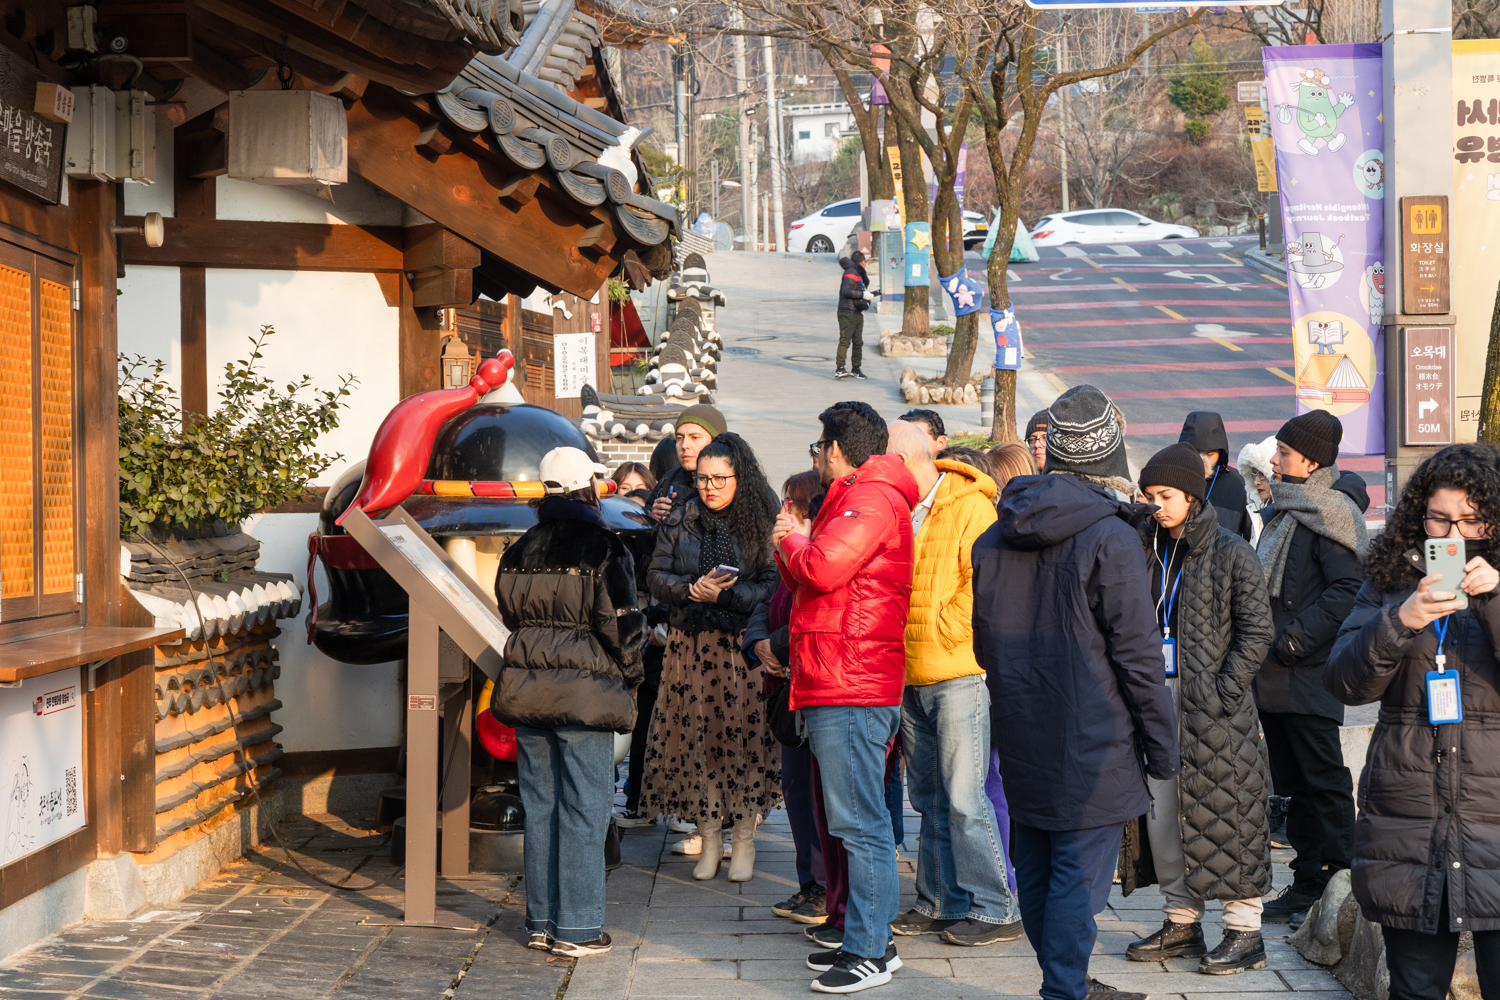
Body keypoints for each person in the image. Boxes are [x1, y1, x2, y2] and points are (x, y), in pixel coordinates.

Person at [972, 384, 1179, 1000]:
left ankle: (1067, 981)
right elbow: (1139, 658)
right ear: (1108, 461)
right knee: (1076, 880)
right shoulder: (1111, 539)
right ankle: (1065, 990)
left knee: (1036, 864)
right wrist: (1162, 749)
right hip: (1095, 734)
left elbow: (985, 643)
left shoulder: (994, 536)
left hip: (1021, 722)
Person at [1326, 443, 1500, 1000]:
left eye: (1472, 520)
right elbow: (1346, 682)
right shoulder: (1391, 576)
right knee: (1416, 988)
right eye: (1440, 518)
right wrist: (1399, 620)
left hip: (1493, 818)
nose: (1454, 533)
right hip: (1410, 820)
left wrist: (1493, 599)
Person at [775, 400, 918, 993]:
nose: (817, 455)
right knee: (853, 820)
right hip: (839, 675)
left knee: (861, 823)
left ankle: (873, 949)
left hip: (853, 682)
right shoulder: (859, 494)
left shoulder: (870, 498)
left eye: (819, 446)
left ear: (836, 448)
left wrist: (791, 541)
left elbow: (824, 566)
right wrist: (797, 548)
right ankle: (863, 937)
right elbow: (814, 578)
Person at [1122, 443, 1275, 974]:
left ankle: (1244, 931)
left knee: (1230, 815)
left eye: (1166, 496)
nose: (1157, 506)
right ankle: (1181, 921)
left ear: (1192, 494)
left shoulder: (1231, 551)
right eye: (1150, 497)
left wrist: (1222, 692)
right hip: (1153, 699)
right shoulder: (1141, 546)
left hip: (1216, 710)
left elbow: (1258, 631)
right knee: (1163, 815)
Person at [491, 447, 646, 958]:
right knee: (585, 807)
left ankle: (540, 921)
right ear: (590, 488)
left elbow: (512, 617)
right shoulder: (604, 547)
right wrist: (631, 679)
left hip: (528, 693)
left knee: (541, 808)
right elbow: (623, 629)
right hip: (586, 696)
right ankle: (577, 930)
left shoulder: (519, 549)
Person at [885, 421, 1021, 947]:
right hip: (910, 670)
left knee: (966, 798)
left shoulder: (969, 503)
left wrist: (945, 632)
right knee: (930, 797)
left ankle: (997, 906)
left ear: (907, 461)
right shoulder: (902, 507)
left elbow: (981, 585)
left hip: (958, 671)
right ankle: (940, 899)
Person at [643, 431, 783, 882]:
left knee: (741, 745)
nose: (710, 488)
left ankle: (743, 839)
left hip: (740, 649)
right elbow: (655, 576)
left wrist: (725, 596)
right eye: (703, 479)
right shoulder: (679, 518)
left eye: (720, 479)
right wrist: (689, 589)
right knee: (695, 746)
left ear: (739, 477)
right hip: (689, 648)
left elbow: (770, 585)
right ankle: (709, 839)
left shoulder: (760, 523)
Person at [1255, 409, 1366, 922]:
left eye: (1283, 453)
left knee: (1324, 781)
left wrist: (1296, 640)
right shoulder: (1284, 512)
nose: (1275, 462)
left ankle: (1340, 882)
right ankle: (1305, 883)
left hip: (1310, 670)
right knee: (1293, 784)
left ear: (1311, 460)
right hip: (1273, 671)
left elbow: (1348, 589)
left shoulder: (1330, 513)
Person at [744, 470, 827, 925]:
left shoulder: (819, 556)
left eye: (791, 504)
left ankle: (824, 885)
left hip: (814, 687)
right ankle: (807, 883)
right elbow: (765, 605)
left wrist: (774, 646)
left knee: (819, 794)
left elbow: (809, 613)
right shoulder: (785, 556)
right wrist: (758, 645)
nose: (783, 513)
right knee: (795, 789)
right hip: (783, 690)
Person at [1178, 411, 1252, 541]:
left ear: (1221, 452)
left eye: (1209, 454)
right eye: (1195, 452)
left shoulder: (1238, 483)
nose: (1202, 460)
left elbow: (1249, 534)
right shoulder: (1170, 478)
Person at [649, 404, 727, 523]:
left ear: (716, 441)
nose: (684, 445)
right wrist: (653, 519)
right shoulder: (668, 480)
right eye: (680, 438)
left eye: (694, 437)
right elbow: (643, 540)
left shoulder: (739, 483)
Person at [836, 251, 873, 380]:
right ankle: (840, 368)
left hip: (856, 312)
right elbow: (846, 291)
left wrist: (868, 294)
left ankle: (856, 369)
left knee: (858, 342)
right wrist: (863, 295)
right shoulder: (851, 272)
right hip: (847, 312)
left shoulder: (857, 273)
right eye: (866, 262)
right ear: (863, 262)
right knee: (845, 340)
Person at [1236, 436, 1277, 546]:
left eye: (1262, 474)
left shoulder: (1283, 514)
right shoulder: (1255, 506)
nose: (1256, 482)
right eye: (1254, 475)